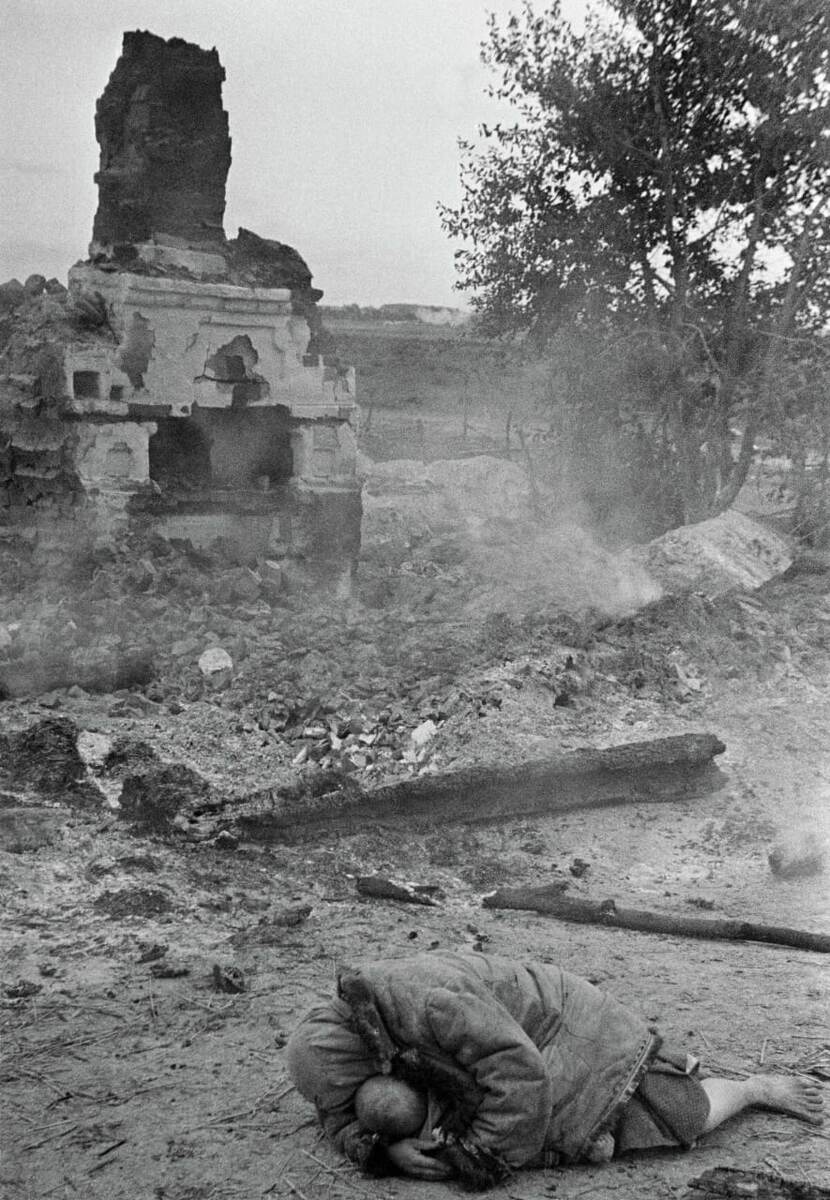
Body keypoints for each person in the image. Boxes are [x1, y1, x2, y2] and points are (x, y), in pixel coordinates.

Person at [285, 950, 823, 1188]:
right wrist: (382, 1149)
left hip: (569, 1036)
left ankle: (753, 1090)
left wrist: (470, 1157)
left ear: (366, 1056)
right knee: (386, 1108)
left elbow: (520, 1074)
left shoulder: (430, 1005)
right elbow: (337, 1114)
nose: (344, 1102)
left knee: (682, 1116)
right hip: (496, 1063)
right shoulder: (346, 1040)